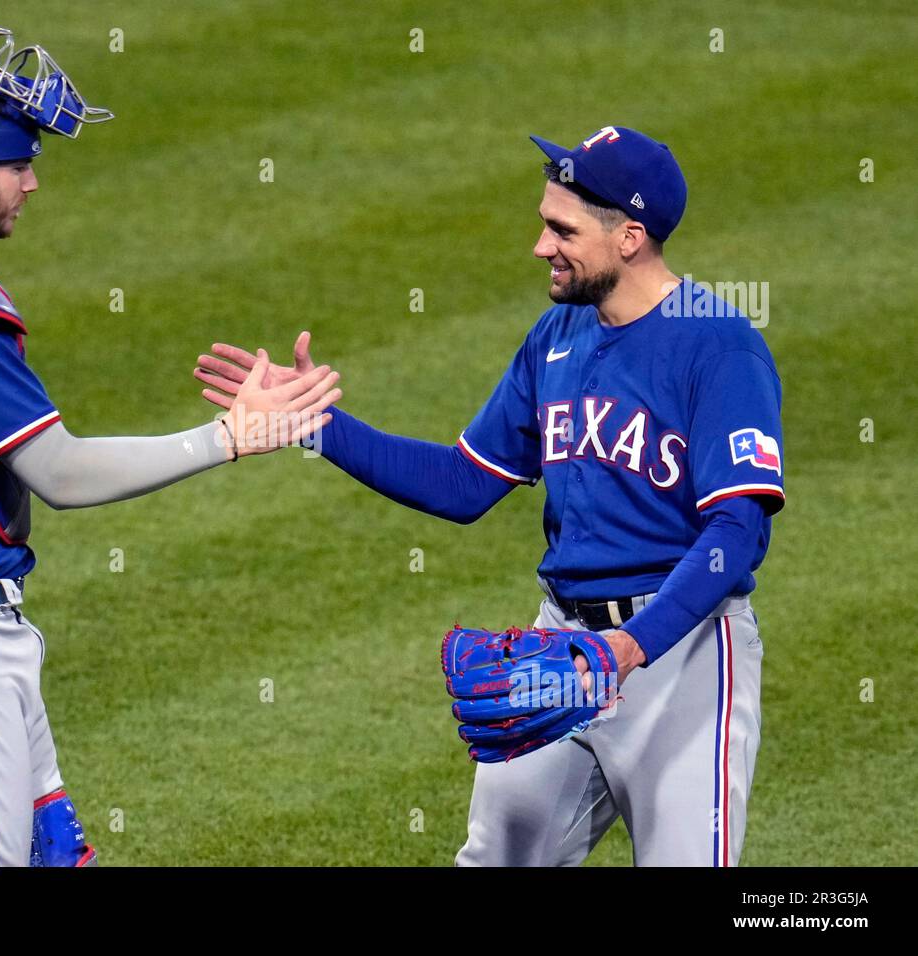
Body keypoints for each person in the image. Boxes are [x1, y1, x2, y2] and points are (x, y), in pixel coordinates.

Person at [0, 26, 339, 867]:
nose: (33, 184)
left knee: (56, 856)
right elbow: (62, 473)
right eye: (18, 164)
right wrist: (231, 436)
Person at [196, 126, 784, 867]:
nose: (541, 245)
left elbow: (739, 529)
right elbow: (464, 481)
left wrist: (629, 646)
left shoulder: (719, 345)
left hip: (682, 657)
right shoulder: (557, 335)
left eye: (561, 229)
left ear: (631, 236)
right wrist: (315, 426)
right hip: (560, 648)